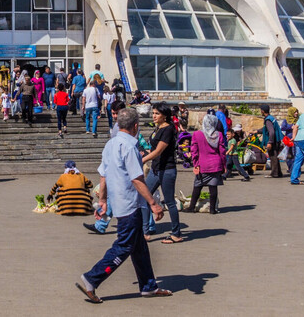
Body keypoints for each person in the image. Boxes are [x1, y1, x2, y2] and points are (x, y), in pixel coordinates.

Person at [76, 108, 172, 303]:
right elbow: (137, 179)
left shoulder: (110, 145)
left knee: (139, 247)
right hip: (129, 204)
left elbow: (103, 175)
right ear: (135, 126)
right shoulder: (129, 147)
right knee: (124, 245)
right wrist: (153, 203)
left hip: (119, 202)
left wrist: (102, 201)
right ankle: (92, 278)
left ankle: (148, 285)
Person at [139, 103, 183, 243]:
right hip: (156, 169)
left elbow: (159, 151)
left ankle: (176, 234)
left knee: (170, 202)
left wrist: (142, 160)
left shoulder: (168, 129)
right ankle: (145, 232)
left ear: (164, 116)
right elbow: (152, 149)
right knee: (144, 196)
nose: (154, 116)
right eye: (153, 113)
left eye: (157, 113)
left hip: (167, 170)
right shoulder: (158, 128)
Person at [186, 114, 227, 213]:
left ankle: (192, 207)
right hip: (215, 164)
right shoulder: (219, 135)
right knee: (213, 187)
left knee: (197, 186)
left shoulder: (197, 134)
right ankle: (212, 209)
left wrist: (195, 164)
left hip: (202, 164)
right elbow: (222, 151)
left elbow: (194, 151)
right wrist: (224, 165)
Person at [260, 104, 284, 178]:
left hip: (273, 141)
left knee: (273, 157)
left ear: (263, 111)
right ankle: (278, 172)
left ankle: (274, 173)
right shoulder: (271, 118)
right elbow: (265, 129)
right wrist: (256, 131)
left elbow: (271, 132)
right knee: (275, 156)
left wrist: (270, 142)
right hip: (276, 140)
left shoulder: (268, 120)